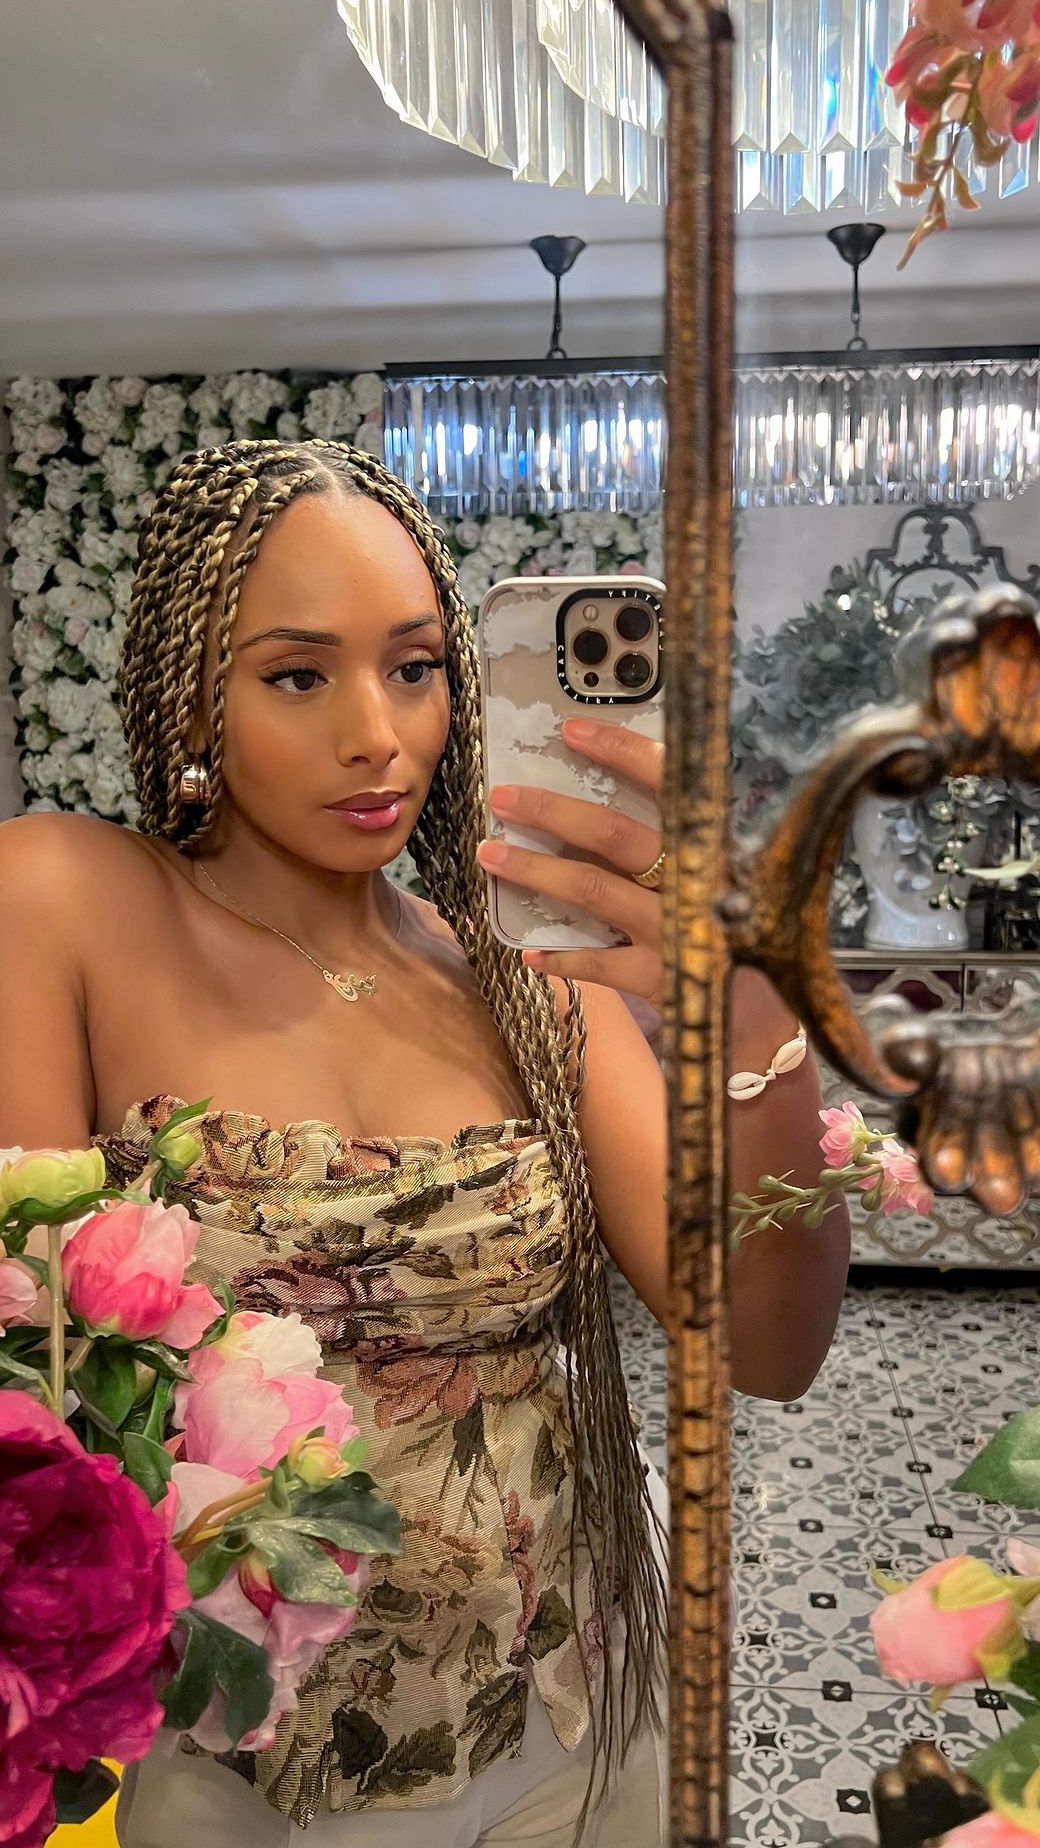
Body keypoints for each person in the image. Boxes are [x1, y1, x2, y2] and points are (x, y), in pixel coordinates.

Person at [0, 440, 849, 1847]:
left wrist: (757, 1000)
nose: (377, 734)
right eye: (297, 675)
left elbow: (765, 1347)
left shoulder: (528, 980)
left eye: (414, 667)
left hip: (570, 1714)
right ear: (192, 688)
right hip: (250, 1758)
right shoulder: (67, 899)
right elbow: (29, 1394)